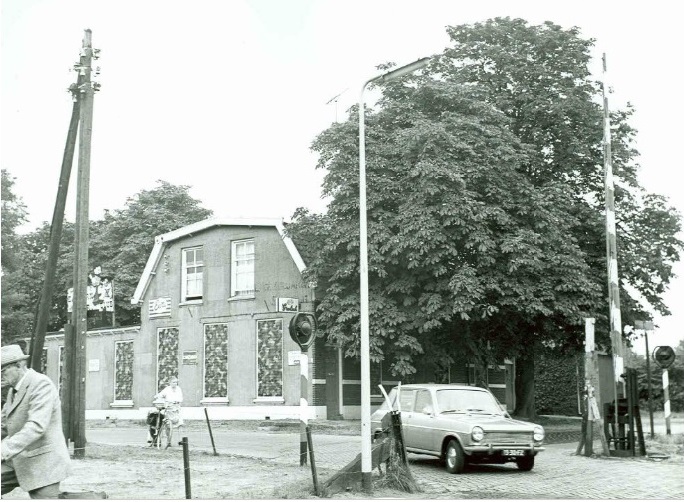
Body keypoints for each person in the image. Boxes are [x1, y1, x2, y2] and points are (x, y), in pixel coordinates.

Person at [1, 344, 71, 498]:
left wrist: (4, 449)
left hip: (43, 462)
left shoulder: (41, 384)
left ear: (19, 365)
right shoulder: (13, 390)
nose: (0, 376)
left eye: (2, 370)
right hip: (18, 458)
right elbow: (3, 424)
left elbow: (36, 426)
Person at [153, 376, 184, 447]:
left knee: (180, 424)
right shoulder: (167, 389)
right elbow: (159, 395)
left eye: (176, 382)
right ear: (170, 383)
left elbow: (181, 398)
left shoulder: (178, 389)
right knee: (168, 426)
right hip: (169, 409)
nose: (175, 384)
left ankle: (181, 440)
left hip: (177, 409)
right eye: (173, 382)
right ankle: (168, 441)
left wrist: (177, 401)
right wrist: (160, 399)